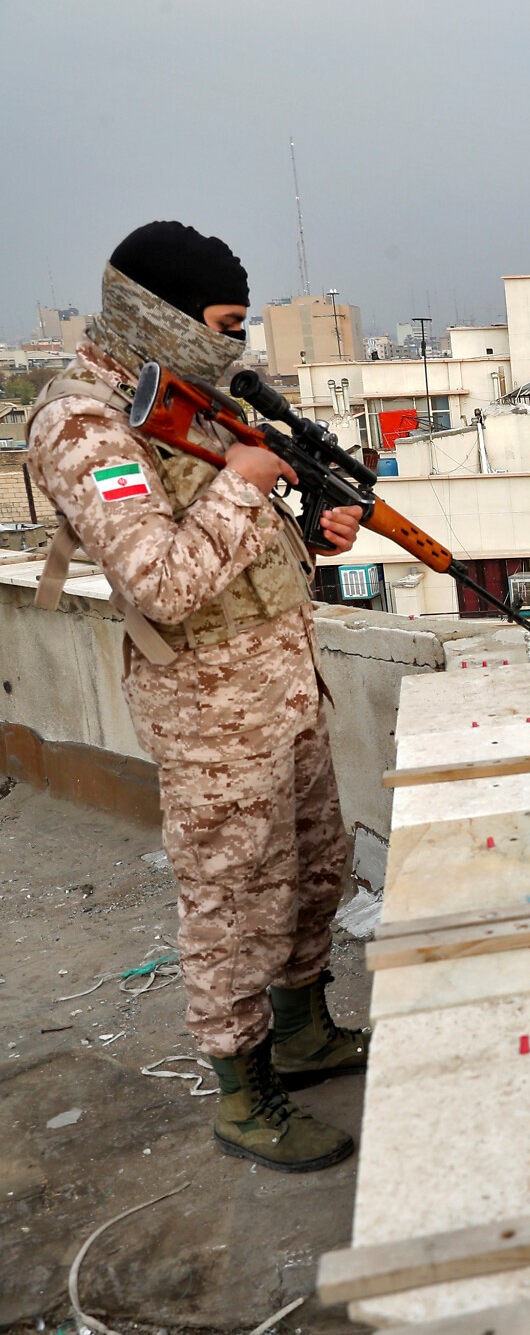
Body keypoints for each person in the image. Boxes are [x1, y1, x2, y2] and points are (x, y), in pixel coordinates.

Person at [24, 222, 369, 1172]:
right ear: (160, 312)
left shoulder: (191, 398)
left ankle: (303, 1038)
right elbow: (162, 583)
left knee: (310, 870)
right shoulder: (86, 421)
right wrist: (244, 488)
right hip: (210, 710)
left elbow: (243, 539)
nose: (233, 347)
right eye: (221, 324)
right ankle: (243, 1097)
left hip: (284, 685)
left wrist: (315, 531)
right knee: (234, 902)